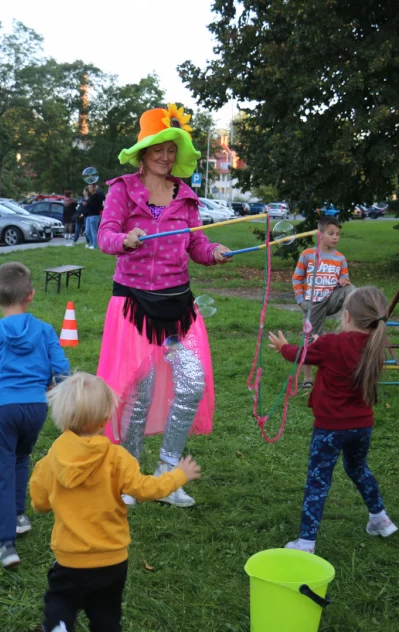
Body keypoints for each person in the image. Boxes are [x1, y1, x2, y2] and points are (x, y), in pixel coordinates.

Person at [97, 103, 229, 508]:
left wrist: (214, 251)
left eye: (172, 149)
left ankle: (167, 474)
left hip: (179, 306)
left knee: (192, 383)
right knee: (139, 391)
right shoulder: (122, 189)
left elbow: (196, 245)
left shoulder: (186, 199)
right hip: (133, 304)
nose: (166, 156)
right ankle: (132, 477)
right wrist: (125, 240)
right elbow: (105, 237)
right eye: (159, 148)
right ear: (144, 151)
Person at [31, 372, 202, 632]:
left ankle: (59, 624)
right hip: (112, 559)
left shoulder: (51, 460)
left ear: (62, 415)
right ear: (106, 417)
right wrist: (178, 476)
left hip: (70, 558)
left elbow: (40, 503)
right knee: (106, 615)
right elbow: (145, 489)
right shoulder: (117, 458)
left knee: (61, 598)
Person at [268, 286, 398, 555]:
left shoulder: (331, 344)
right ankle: (380, 519)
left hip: (330, 428)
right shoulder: (377, 346)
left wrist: (283, 347)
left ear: (346, 315)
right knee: (358, 469)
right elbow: (335, 353)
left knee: (318, 480)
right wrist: (319, 343)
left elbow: (301, 355)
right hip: (362, 427)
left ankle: (305, 543)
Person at [0, 262, 70, 568]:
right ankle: (17, 515)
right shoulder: (44, 330)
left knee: (2, 472)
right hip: (36, 409)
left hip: (3, 408)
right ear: (30, 295)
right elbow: (62, 370)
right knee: (20, 458)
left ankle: (4, 545)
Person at [291, 216, 354, 388]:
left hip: (332, 298)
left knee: (352, 290)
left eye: (338, 234)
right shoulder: (308, 254)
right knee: (310, 338)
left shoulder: (340, 258)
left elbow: (345, 278)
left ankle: (352, 322)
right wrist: (301, 301)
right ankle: (308, 378)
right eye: (331, 233)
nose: (335, 237)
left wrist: (343, 281)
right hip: (313, 303)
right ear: (320, 235)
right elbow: (297, 278)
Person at [78, 183, 105, 249]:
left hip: (94, 215)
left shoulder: (96, 196)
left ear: (94, 188)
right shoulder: (92, 196)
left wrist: (86, 196)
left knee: (93, 231)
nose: (90, 189)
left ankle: (94, 246)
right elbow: (86, 203)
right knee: (87, 231)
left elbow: (86, 203)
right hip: (89, 215)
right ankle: (93, 244)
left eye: (91, 187)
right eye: (89, 187)